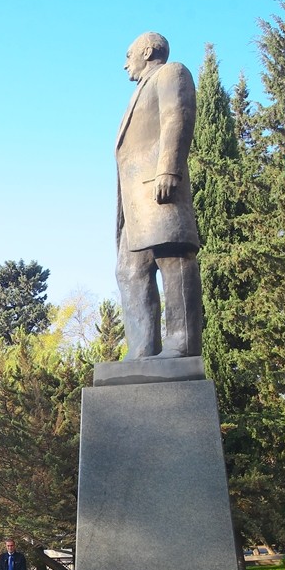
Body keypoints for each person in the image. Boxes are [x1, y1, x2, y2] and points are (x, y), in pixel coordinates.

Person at [115, 31, 202, 359]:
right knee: (129, 269)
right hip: (136, 205)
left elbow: (176, 118)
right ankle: (142, 348)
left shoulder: (171, 73)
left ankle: (181, 343)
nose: (125, 65)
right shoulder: (140, 90)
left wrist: (169, 170)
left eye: (129, 55)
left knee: (173, 259)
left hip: (159, 189)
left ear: (148, 51)